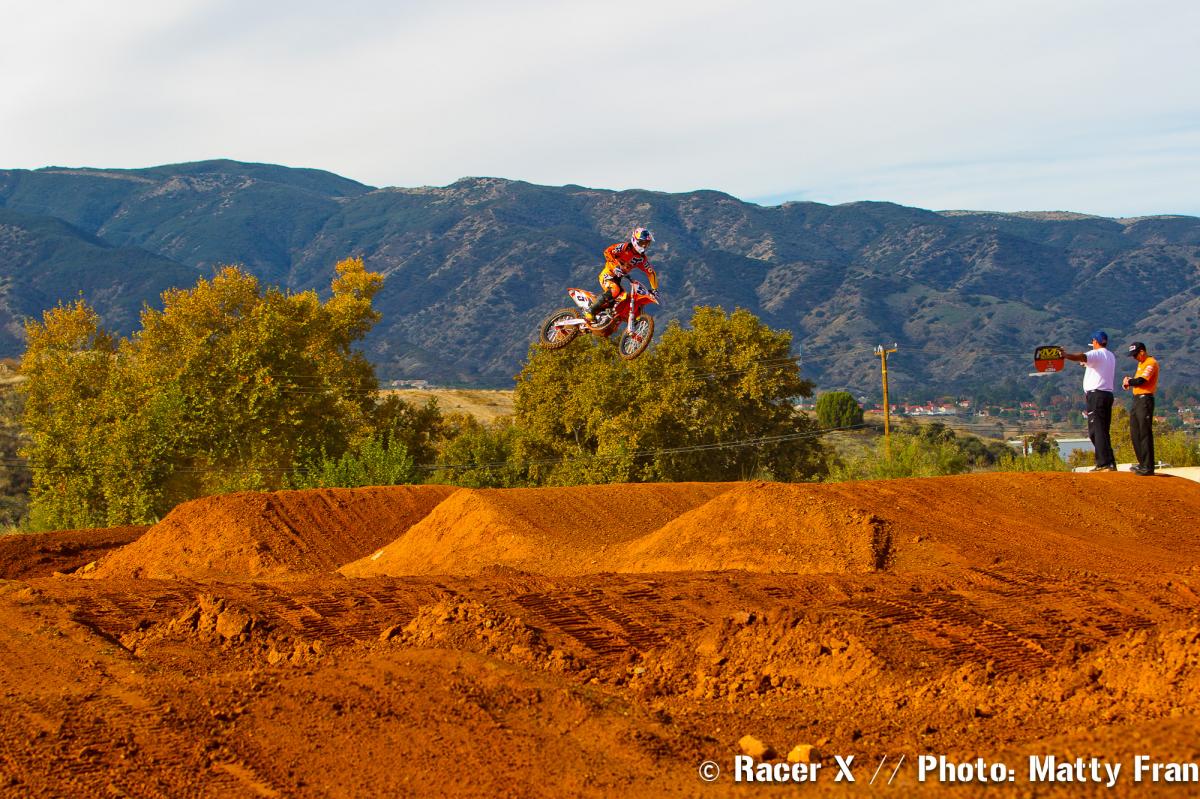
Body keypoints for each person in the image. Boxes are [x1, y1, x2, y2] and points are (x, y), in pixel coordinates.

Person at [1062, 330, 1117, 471]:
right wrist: (1084, 363)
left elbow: (1083, 356)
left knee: (1096, 431)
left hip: (1096, 396)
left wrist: (1066, 355)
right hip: (1107, 395)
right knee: (1103, 430)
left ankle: (1104, 463)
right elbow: (1090, 362)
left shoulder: (1096, 353)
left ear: (1095, 341)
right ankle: (1109, 462)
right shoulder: (1110, 355)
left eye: (1093, 342)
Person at [584, 227, 659, 322]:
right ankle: (590, 310)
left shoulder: (641, 259)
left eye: (646, 244)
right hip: (608, 274)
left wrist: (654, 289)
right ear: (635, 240)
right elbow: (607, 251)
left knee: (623, 298)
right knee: (615, 290)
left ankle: (608, 317)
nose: (644, 246)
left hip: (617, 279)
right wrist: (615, 266)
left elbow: (651, 273)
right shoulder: (624, 248)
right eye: (642, 243)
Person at [1121, 341, 1159, 475]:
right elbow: (1137, 381)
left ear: (1142, 352)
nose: (1134, 357)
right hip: (1137, 399)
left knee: (1144, 433)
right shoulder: (1140, 364)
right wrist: (1129, 382)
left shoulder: (1151, 362)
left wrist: (1129, 382)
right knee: (1135, 432)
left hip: (1145, 400)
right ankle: (1142, 463)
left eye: (1135, 354)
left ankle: (1148, 466)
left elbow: (1142, 381)